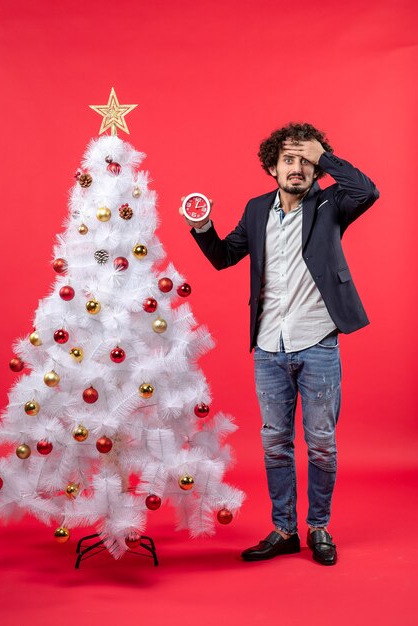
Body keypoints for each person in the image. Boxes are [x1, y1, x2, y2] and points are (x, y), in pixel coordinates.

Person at [181, 122, 379, 565]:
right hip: (269, 347)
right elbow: (224, 258)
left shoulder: (331, 204)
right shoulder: (255, 211)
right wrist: (202, 226)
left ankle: (319, 528)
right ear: (272, 167)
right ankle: (285, 529)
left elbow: (368, 191)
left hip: (317, 342)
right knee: (275, 442)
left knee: (322, 441)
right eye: (289, 159)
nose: (298, 167)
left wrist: (324, 155)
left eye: (305, 160)